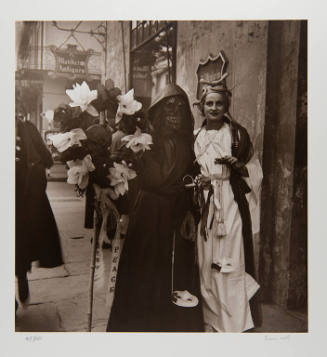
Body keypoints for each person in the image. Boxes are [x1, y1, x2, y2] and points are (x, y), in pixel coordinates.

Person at [107, 84, 203, 332]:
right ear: (157, 112)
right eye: (168, 107)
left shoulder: (189, 146)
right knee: (145, 271)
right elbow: (133, 179)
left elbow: (190, 182)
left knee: (173, 275)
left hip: (176, 215)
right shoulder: (145, 142)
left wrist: (191, 213)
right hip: (149, 215)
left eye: (180, 108)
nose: (174, 113)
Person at [193, 80, 263, 332]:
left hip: (230, 203)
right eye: (209, 103)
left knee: (230, 257)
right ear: (202, 107)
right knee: (206, 258)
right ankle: (210, 317)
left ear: (226, 106)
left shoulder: (237, 134)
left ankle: (234, 318)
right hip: (205, 203)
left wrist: (238, 166)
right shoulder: (196, 136)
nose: (214, 108)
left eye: (219, 103)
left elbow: (255, 170)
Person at [15, 110, 63, 310]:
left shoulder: (27, 129)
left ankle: (21, 278)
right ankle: (21, 278)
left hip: (23, 201)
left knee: (18, 242)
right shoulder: (26, 129)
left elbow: (47, 158)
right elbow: (47, 158)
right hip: (23, 201)